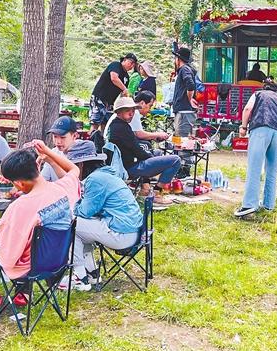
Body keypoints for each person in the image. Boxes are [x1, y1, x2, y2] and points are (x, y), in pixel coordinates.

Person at [0, 142, 81, 316]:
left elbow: (8, 253)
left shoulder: (20, 207)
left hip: (27, 268)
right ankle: (24, 292)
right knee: (30, 238)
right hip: (58, 261)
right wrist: (47, 152)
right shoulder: (62, 189)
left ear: (19, 183)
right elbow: (74, 170)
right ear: (37, 168)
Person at [59, 140, 143, 291]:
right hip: (131, 230)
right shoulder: (105, 175)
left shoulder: (95, 179)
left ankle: (79, 277)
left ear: (81, 165)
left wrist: (74, 203)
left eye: (72, 167)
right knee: (82, 231)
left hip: (122, 234)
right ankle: (91, 272)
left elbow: (84, 211)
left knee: (70, 224)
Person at [234, 79, 277, 218]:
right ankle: (268, 205)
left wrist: (243, 127)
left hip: (260, 129)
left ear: (264, 88)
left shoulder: (258, 94)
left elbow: (247, 109)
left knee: (254, 168)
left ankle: (249, 205)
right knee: (272, 171)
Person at [106, 96, 179, 205]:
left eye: (133, 111)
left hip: (124, 164)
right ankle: (156, 193)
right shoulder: (121, 128)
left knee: (155, 152)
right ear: (119, 112)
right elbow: (137, 151)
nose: (131, 114)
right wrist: (153, 160)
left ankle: (145, 190)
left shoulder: (117, 125)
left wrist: (152, 157)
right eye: (127, 111)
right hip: (128, 169)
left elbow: (135, 147)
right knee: (175, 160)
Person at [89, 53, 138, 132]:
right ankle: (91, 137)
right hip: (100, 98)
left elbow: (123, 93)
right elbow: (114, 78)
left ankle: (102, 138)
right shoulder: (116, 65)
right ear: (124, 60)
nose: (131, 66)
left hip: (110, 102)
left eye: (134, 65)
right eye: (131, 63)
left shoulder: (126, 77)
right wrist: (125, 89)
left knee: (106, 124)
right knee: (95, 123)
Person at [39, 115, 81, 181]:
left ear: (74, 136)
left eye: (62, 137)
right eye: (55, 136)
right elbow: (43, 180)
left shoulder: (83, 153)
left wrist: (52, 162)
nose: (58, 142)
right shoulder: (53, 152)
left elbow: (73, 183)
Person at [171, 46, 197, 138]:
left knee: (182, 140)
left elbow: (190, 84)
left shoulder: (184, 69)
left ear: (178, 59)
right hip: (183, 111)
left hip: (184, 112)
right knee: (181, 138)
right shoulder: (185, 69)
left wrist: (189, 99)